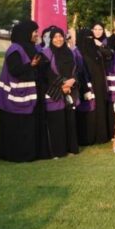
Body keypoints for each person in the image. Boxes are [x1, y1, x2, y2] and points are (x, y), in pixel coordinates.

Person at [0, 20, 42, 162]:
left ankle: (28, 153)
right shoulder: (14, 49)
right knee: (15, 126)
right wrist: (31, 65)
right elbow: (15, 70)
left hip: (27, 94)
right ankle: (15, 154)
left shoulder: (31, 48)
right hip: (13, 96)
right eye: (35, 32)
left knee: (27, 125)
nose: (37, 34)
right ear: (26, 33)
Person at [38, 27, 81, 158]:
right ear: (51, 39)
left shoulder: (70, 52)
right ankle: (57, 151)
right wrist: (63, 84)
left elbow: (77, 69)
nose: (58, 39)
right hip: (54, 92)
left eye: (61, 36)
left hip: (70, 91)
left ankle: (71, 149)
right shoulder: (46, 53)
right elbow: (46, 73)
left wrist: (72, 81)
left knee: (69, 121)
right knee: (56, 122)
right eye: (55, 37)